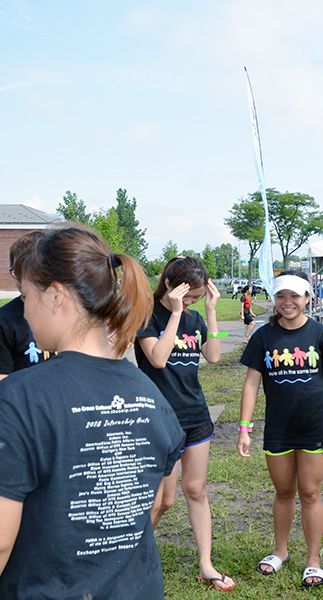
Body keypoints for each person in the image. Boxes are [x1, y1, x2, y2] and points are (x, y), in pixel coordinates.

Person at [0, 225, 185, 598]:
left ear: (55, 296)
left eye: (27, 296)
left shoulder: (18, 398)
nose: (25, 312)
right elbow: (165, 499)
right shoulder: (152, 395)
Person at [237, 271, 323, 587]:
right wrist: (244, 428)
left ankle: (313, 560)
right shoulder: (264, 336)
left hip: (314, 425)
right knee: (284, 492)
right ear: (274, 300)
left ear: (307, 298)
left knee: (310, 491)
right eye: (281, 296)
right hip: (278, 427)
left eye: (294, 296)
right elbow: (251, 383)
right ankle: (280, 551)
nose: (287, 302)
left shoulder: (321, 334)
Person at [134, 256, 234, 592]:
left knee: (196, 490)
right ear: (169, 286)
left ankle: (206, 564)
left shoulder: (194, 318)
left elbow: (215, 356)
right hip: (161, 418)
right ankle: (129, 556)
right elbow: (158, 359)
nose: (190, 302)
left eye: (195, 297)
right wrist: (176, 313)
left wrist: (210, 311)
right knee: (163, 501)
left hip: (196, 416)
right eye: (187, 296)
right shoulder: (146, 317)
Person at [0, 231, 49, 379]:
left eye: (29, 270)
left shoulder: (67, 311)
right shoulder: (4, 321)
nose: (22, 278)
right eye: (16, 271)